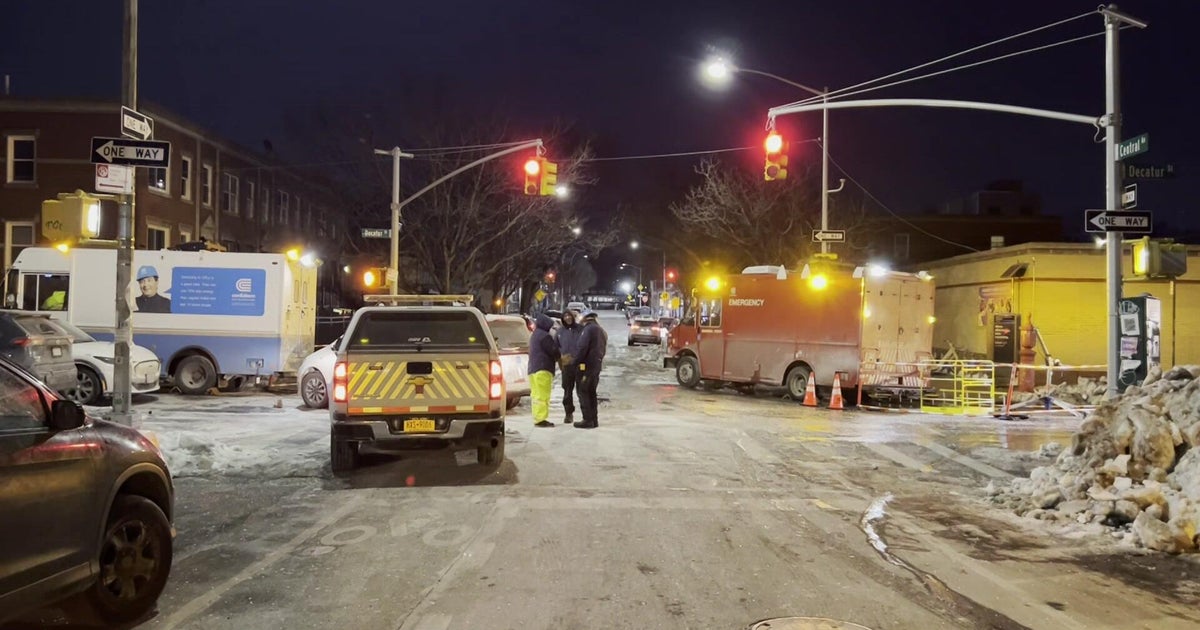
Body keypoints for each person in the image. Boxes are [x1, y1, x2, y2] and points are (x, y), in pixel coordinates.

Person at [573, 310, 608, 429]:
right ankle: (593, 419)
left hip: (587, 366)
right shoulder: (600, 330)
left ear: (585, 318)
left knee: (583, 391)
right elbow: (603, 348)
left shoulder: (588, 330)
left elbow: (582, 347)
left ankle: (587, 419)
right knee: (592, 392)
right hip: (596, 365)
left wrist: (575, 362)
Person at [527, 313, 561, 428]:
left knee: (536, 395)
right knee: (543, 395)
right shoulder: (544, 336)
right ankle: (541, 419)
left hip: (533, 369)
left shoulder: (534, 335)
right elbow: (554, 351)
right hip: (543, 368)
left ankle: (537, 417)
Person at [556, 309, 584, 424]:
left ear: (573, 317)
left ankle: (586, 414)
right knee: (567, 391)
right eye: (565, 316)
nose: (567, 318)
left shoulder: (581, 330)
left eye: (569, 316)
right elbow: (556, 347)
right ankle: (568, 413)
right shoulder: (560, 331)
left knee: (582, 391)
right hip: (567, 365)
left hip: (579, 364)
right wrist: (560, 361)